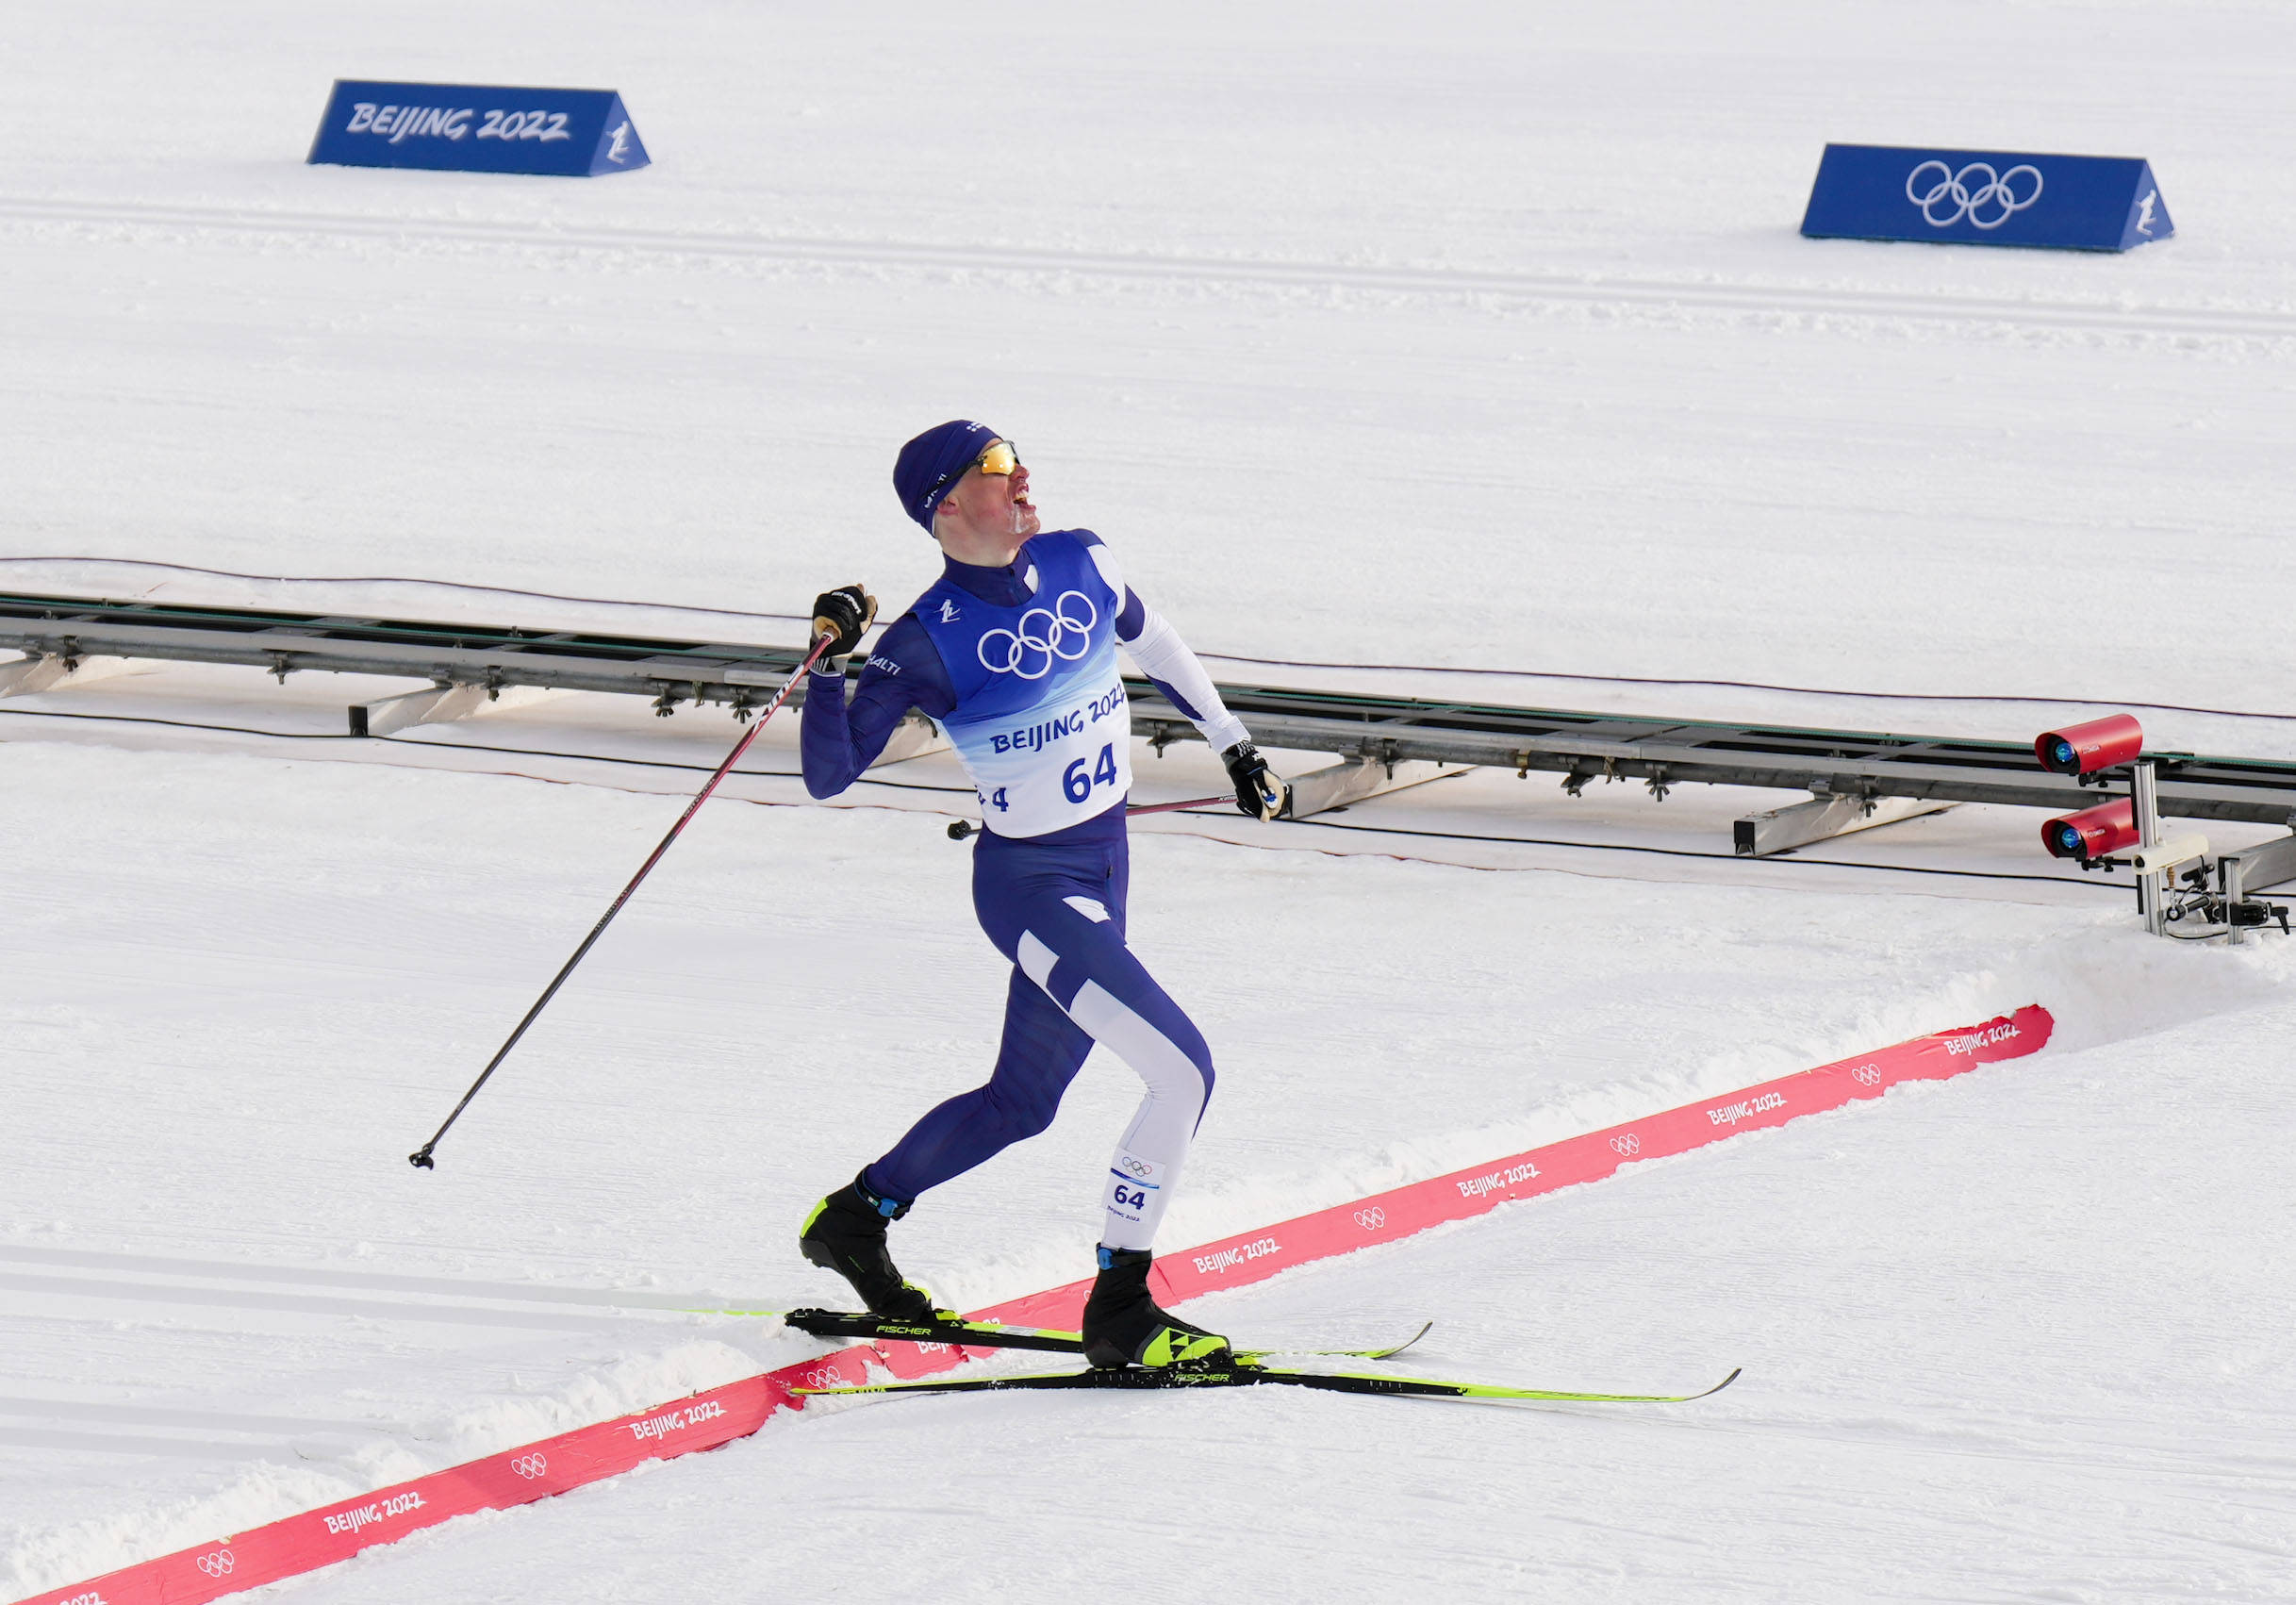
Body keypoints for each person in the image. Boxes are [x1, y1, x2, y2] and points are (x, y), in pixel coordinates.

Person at [795, 420, 1287, 1370]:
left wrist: (1232, 741)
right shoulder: (923, 643)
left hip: (1105, 866)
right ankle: (1121, 1308)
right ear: (944, 505)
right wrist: (829, 663)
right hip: (1030, 890)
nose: (1020, 476)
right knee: (1182, 1070)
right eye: (991, 468)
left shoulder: (1079, 560)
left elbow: (1149, 632)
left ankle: (854, 1219)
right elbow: (830, 773)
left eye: (1015, 457)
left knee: (1021, 1102)